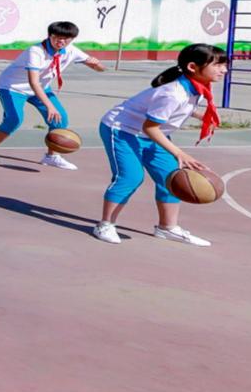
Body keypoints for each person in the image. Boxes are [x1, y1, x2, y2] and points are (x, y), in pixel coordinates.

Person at [97, 45, 228, 247]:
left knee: (172, 178)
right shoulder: (173, 93)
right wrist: (179, 153)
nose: (224, 70)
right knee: (131, 177)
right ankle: (105, 225)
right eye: (218, 65)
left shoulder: (197, 86)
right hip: (122, 129)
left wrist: (201, 116)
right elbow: (150, 127)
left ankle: (167, 228)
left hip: (153, 133)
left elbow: (175, 110)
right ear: (193, 66)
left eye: (224, 65)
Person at [0, 21, 104, 168]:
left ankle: (51, 156)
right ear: (49, 36)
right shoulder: (36, 51)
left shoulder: (71, 50)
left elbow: (100, 69)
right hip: (12, 87)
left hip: (41, 87)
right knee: (14, 119)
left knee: (60, 120)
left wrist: (96, 64)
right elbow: (33, 82)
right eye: (57, 37)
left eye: (66, 38)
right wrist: (49, 106)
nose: (61, 41)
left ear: (72, 39)